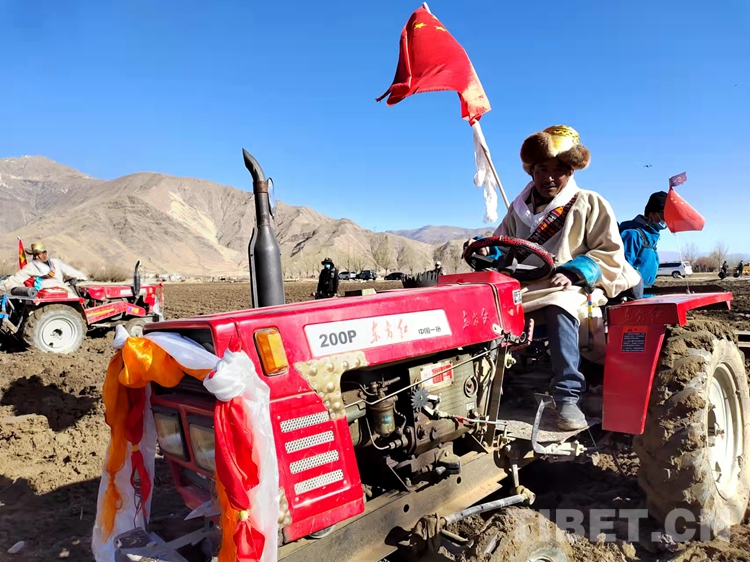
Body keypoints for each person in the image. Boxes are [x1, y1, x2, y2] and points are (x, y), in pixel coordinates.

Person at [484, 125, 639, 430]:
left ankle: (568, 395)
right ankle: (493, 386)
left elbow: (609, 252)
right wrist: (488, 250)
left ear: (570, 171)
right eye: (542, 169)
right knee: (484, 303)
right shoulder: (517, 210)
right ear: (532, 171)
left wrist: (574, 272)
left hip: (578, 285)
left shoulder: (589, 202)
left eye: (558, 170)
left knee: (559, 303)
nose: (550, 177)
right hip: (526, 286)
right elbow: (503, 245)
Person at [618, 191, 668, 298]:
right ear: (652, 213)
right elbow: (622, 270)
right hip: (632, 299)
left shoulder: (652, 238)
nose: (666, 219)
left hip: (647, 296)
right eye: (663, 215)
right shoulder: (633, 235)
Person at [1, 242, 88, 297]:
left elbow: (70, 272)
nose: (35, 257)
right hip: (45, 293)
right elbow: (16, 278)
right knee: (76, 301)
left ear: (45, 253)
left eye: (37, 254)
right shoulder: (31, 266)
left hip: (60, 290)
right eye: (34, 255)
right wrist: (2, 285)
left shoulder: (56, 263)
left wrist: (81, 277)